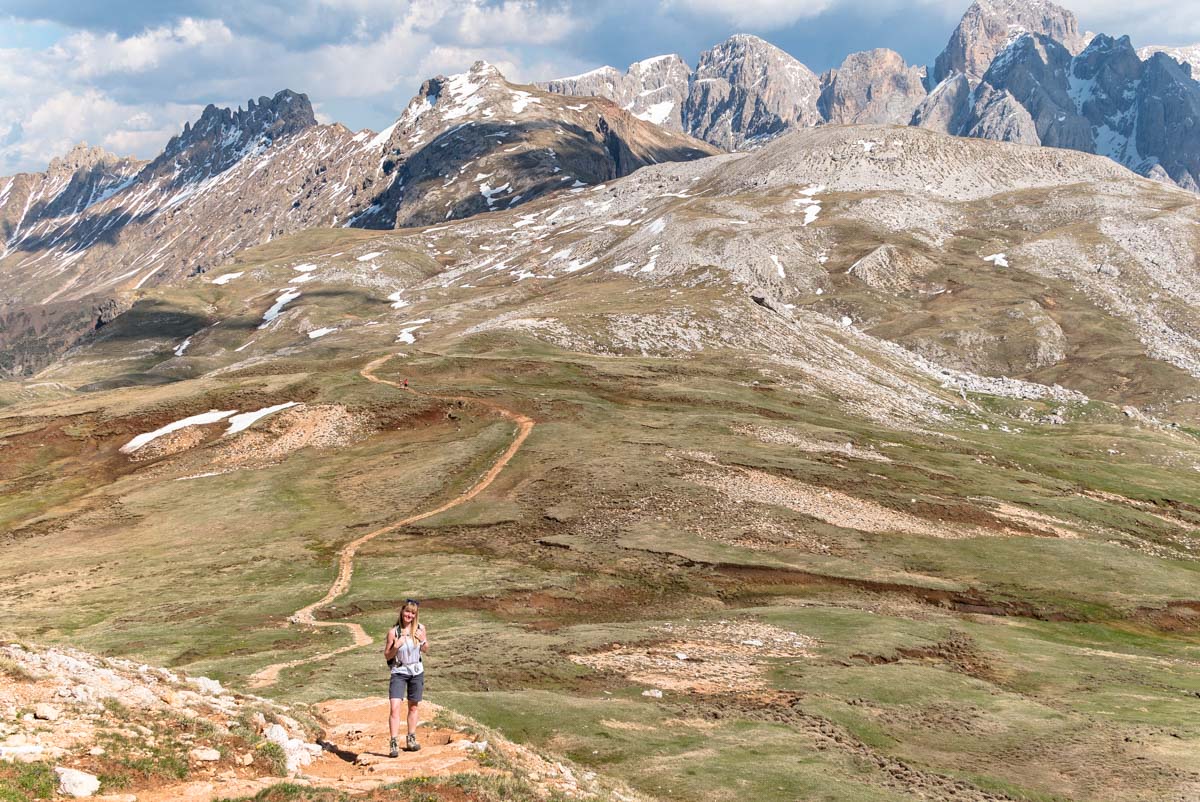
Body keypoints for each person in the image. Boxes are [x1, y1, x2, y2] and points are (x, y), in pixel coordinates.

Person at [383, 599, 428, 756]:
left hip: (416, 671)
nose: (409, 615)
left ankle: (411, 738)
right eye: (407, 611)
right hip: (399, 672)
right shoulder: (393, 632)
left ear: (416, 615)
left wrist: (422, 640)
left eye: (413, 613)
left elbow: (426, 649)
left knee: (413, 706)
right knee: (394, 707)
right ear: (402, 612)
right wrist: (396, 646)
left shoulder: (421, 629)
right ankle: (394, 742)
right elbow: (387, 655)